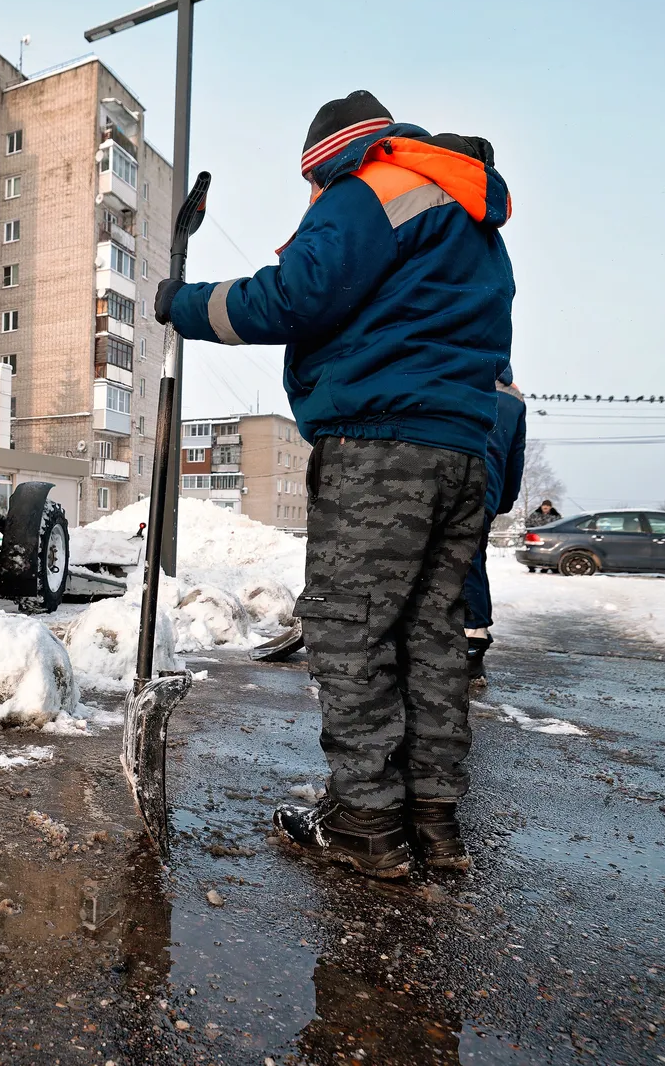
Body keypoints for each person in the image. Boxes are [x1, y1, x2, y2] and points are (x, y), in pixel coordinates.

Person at [154, 90, 514, 878]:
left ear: (326, 159)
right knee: (428, 633)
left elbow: (295, 295)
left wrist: (183, 305)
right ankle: (432, 818)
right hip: (461, 453)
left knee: (352, 632)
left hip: (381, 447)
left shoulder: (370, 189)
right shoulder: (468, 216)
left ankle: (366, 822)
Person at [463, 369, 527, 679]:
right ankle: (474, 635)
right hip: (487, 490)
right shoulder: (514, 403)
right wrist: (502, 501)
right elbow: (516, 459)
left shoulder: (460, 383)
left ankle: (471, 634)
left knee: (455, 558)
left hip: (453, 479)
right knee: (472, 558)